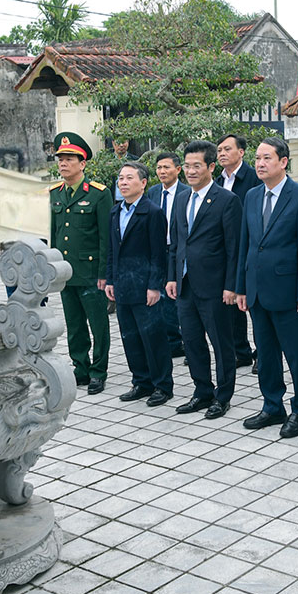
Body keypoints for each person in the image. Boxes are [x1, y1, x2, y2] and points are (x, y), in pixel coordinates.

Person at [236, 137, 298, 438]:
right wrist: (241, 287)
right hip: (257, 291)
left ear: (283, 162)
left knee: (296, 355)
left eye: (267, 158)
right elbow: (246, 244)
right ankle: (272, 406)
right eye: (258, 158)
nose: (260, 164)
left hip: (288, 292)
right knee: (266, 354)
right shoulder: (252, 196)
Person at [167, 140, 243, 420]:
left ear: (211, 167)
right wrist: (172, 277)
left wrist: (232, 286)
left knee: (221, 344)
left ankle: (223, 396)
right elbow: (176, 242)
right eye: (187, 166)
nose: (190, 171)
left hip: (215, 286)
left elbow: (234, 248)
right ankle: (202, 391)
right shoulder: (181, 198)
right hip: (185, 284)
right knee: (192, 341)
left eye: (196, 166)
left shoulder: (227, 200)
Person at [106, 162, 173, 407]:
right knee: (130, 337)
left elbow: (159, 253)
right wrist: (110, 280)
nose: (123, 183)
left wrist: (154, 286)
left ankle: (162, 385)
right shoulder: (115, 212)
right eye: (121, 178)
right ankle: (141, 382)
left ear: (143, 183)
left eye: (129, 178)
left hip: (145, 287)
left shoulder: (152, 212)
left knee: (153, 337)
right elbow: (111, 250)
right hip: (123, 285)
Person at [49, 132, 112, 395]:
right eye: (60, 159)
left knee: (98, 325)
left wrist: (104, 274)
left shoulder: (99, 194)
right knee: (74, 326)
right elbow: (54, 235)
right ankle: (81, 367)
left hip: (91, 273)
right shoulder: (55, 194)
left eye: (69, 159)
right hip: (66, 273)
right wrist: (53, 270)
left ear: (82, 163)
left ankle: (98, 371)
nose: (63, 163)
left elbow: (106, 238)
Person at [217, 133, 261, 368]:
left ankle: (262, 354)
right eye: (219, 150)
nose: (222, 154)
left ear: (241, 152)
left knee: (254, 304)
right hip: (227, 250)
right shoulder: (218, 181)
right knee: (232, 303)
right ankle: (240, 351)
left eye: (227, 149)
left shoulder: (254, 178)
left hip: (251, 247)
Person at [146, 152, 190, 359]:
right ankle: (171, 342)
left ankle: (186, 341)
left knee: (179, 297)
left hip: (178, 250)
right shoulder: (153, 192)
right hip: (158, 251)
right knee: (162, 296)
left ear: (178, 169)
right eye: (159, 168)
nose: (162, 171)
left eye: (166, 167)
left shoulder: (187, 192)